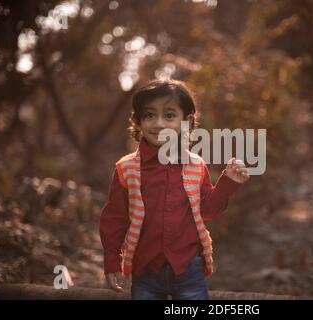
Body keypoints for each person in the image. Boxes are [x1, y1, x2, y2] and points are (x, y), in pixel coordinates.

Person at [99, 79, 249, 300]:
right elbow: (114, 218)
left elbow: (207, 210)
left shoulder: (196, 166)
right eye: (149, 115)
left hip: (189, 269)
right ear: (137, 122)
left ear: (186, 122)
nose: (158, 123)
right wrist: (112, 260)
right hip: (145, 272)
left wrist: (229, 182)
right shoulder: (126, 168)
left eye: (169, 115)